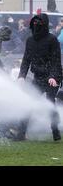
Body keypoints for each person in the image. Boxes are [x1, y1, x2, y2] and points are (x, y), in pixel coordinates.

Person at [13, 13, 62, 141]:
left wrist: (53, 77)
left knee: (50, 103)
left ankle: (55, 130)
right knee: (29, 102)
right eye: (35, 23)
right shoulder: (30, 40)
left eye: (39, 23)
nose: (37, 25)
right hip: (38, 77)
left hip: (53, 78)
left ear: (45, 24)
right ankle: (21, 133)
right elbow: (26, 60)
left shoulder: (52, 40)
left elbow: (56, 61)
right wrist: (21, 76)